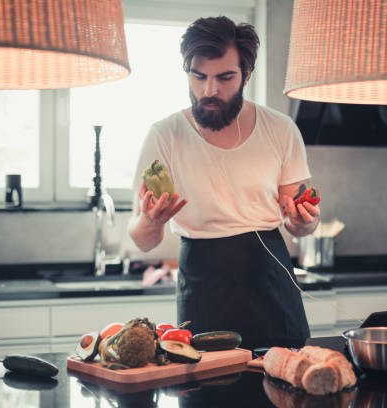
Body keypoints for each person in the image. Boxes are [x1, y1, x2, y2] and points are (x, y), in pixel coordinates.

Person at [128, 16, 319, 349]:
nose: (209, 90)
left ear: (246, 73)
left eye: (224, 77)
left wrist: (304, 222)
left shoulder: (281, 129)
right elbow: (143, 242)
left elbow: (298, 223)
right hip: (203, 286)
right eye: (198, 76)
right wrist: (150, 221)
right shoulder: (164, 135)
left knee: (286, 391)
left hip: (272, 281)